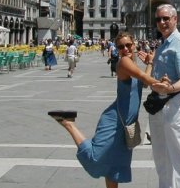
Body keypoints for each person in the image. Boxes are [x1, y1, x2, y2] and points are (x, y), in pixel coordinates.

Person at [48, 33, 161, 187]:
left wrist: (150, 63)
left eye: (128, 45)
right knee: (95, 157)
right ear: (117, 49)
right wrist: (167, 86)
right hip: (114, 121)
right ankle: (68, 123)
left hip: (126, 125)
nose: (126, 49)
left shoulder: (132, 64)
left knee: (115, 168)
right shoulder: (124, 62)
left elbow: (144, 83)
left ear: (134, 45)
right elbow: (145, 78)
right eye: (121, 46)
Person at [149, 4, 180, 188]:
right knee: (161, 156)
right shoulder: (164, 43)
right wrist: (150, 63)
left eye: (166, 18)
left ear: (176, 19)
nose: (162, 22)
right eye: (159, 19)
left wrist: (170, 89)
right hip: (159, 105)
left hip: (174, 104)